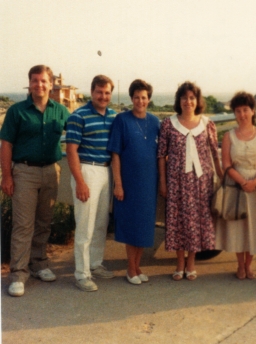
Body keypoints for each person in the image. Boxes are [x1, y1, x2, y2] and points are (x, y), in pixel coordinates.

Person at [0, 65, 70, 297]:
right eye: (35, 81)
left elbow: (78, 132)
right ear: (29, 84)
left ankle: (39, 263)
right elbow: (6, 144)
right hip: (24, 172)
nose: (39, 85)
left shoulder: (60, 111)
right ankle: (18, 274)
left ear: (52, 84)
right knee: (23, 225)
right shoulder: (17, 111)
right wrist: (7, 176)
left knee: (44, 221)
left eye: (44, 81)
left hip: (51, 171)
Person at [158, 81, 222, 281]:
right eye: (184, 98)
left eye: (192, 98)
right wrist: (163, 181)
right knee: (178, 221)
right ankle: (179, 263)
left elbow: (214, 152)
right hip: (176, 182)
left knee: (196, 222)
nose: (188, 101)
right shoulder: (169, 124)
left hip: (201, 183)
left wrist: (223, 178)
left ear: (197, 100)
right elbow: (161, 155)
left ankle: (191, 264)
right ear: (179, 100)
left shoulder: (207, 124)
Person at [66, 75, 117, 292]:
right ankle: (81, 273)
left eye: (107, 93)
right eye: (99, 92)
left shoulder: (114, 116)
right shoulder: (79, 116)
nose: (103, 96)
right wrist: (80, 181)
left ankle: (95, 264)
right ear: (91, 92)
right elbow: (71, 150)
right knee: (85, 225)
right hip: (87, 170)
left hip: (106, 171)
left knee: (100, 223)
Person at [215, 92, 256, 280]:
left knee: (255, 225)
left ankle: (249, 265)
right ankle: (240, 265)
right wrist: (242, 181)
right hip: (236, 185)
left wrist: (254, 181)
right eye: (238, 111)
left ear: (253, 111)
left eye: (245, 110)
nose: (242, 114)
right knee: (238, 227)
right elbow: (226, 164)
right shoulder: (229, 136)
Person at [108, 79, 160, 285]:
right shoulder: (122, 120)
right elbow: (115, 154)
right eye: (136, 97)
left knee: (144, 227)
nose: (140, 101)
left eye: (144, 97)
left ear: (149, 99)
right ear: (131, 99)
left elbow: (161, 155)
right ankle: (130, 269)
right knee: (131, 226)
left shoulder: (156, 122)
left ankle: (138, 266)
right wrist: (118, 184)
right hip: (129, 183)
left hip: (149, 184)